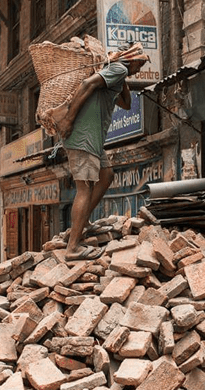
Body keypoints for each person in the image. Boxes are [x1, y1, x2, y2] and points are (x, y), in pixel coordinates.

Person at [48, 42, 149, 261]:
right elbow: (86, 85)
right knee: (84, 188)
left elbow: (126, 103)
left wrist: (121, 75)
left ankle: (81, 223)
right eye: (139, 64)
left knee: (106, 175)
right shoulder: (119, 69)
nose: (139, 69)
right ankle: (73, 247)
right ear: (131, 59)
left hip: (93, 139)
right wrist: (69, 120)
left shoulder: (118, 72)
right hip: (82, 135)